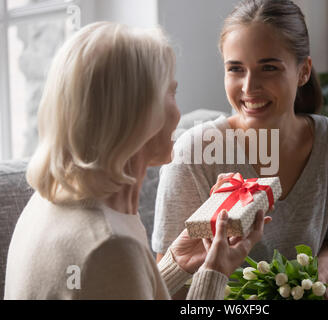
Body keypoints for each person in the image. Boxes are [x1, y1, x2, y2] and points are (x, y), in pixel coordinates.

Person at [4, 22, 270, 300]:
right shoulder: (110, 245)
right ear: (139, 114)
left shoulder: (50, 203)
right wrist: (215, 272)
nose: (179, 114)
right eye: (172, 93)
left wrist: (175, 264)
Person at [152, 0, 328, 300]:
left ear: (303, 71)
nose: (249, 87)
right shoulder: (194, 153)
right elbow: (166, 286)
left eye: (269, 68)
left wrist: (324, 270)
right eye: (236, 69)